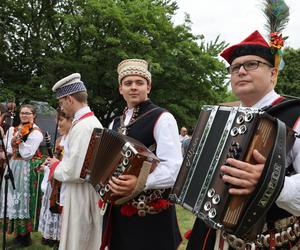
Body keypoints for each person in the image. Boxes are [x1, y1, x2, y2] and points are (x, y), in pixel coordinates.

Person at [187, 30, 300, 249]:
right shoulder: (219, 119)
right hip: (210, 233)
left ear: (273, 73)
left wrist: (272, 182)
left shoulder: (296, 115)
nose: (240, 71)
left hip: (271, 239)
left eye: (252, 64)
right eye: (235, 67)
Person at [104, 59, 183, 250]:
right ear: (120, 88)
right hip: (118, 212)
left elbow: (174, 168)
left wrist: (141, 183)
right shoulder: (115, 123)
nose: (133, 87)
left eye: (139, 83)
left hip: (149, 211)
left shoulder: (162, 118)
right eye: (128, 83)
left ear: (148, 87)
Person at [47, 73, 103, 250]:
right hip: (83, 191)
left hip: (81, 193)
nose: (62, 107)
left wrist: (54, 165)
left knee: (79, 240)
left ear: (69, 99)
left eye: (61, 102)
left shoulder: (83, 127)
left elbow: (75, 171)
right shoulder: (87, 122)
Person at [0, 104, 44, 247]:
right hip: (13, 165)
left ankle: (25, 237)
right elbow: (7, 147)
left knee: (23, 199)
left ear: (33, 115)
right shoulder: (14, 129)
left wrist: (18, 143)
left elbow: (27, 153)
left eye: (28, 113)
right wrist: (14, 143)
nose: (24, 115)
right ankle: (16, 234)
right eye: (22, 113)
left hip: (25, 169)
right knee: (11, 196)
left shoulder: (36, 133)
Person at [38, 109, 72, 249]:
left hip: (64, 182)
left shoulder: (72, 139)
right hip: (55, 181)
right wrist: (47, 165)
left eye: (61, 121)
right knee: (53, 208)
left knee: (61, 212)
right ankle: (53, 237)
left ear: (71, 121)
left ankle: (60, 240)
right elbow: (56, 159)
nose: (58, 125)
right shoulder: (60, 139)